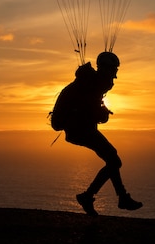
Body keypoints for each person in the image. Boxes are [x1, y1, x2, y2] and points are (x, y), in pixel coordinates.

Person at [51, 51, 143, 216]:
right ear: (107, 69)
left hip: (80, 130)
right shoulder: (91, 85)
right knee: (114, 160)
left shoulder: (89, 82)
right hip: (80, 130)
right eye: (114, 69)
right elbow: (90, 112)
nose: (116, 74)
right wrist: (102, 114)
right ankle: (92, 196)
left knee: (112, 160)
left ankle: (117, 197)